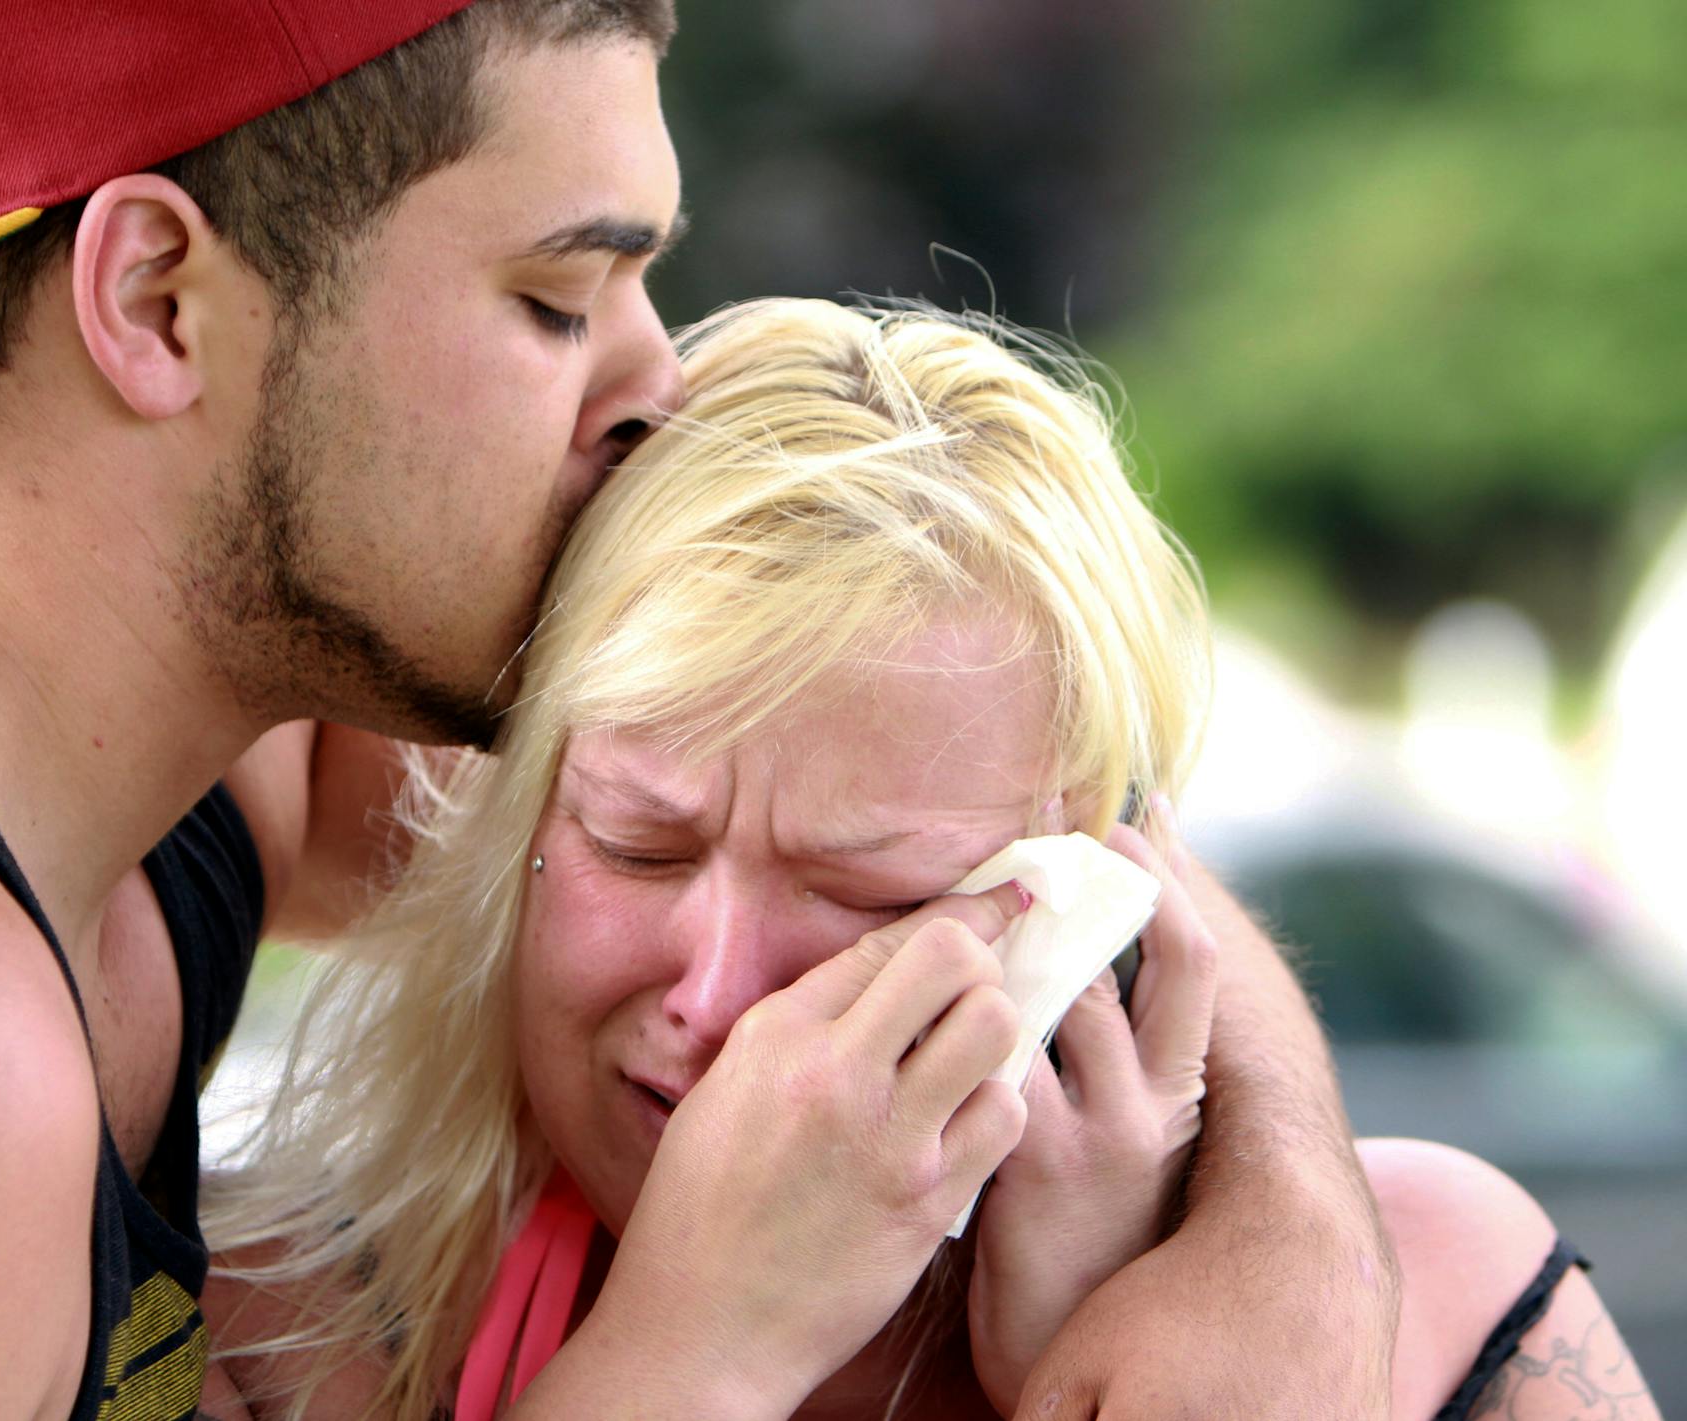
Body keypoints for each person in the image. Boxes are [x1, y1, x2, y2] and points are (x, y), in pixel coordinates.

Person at [0, 2, 1543, 1419]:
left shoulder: (124, 734)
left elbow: (1002, 784)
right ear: (154, 305)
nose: (651, 382)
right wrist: (696, 1347)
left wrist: (1282, 1230)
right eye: (555, 300)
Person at [194, 299, 1656, 1420]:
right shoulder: (285, 1336)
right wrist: (698, 1348)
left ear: (1068, 894)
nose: (711, 993)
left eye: (868, 895)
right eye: (638, 844)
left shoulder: (1426, 1296)